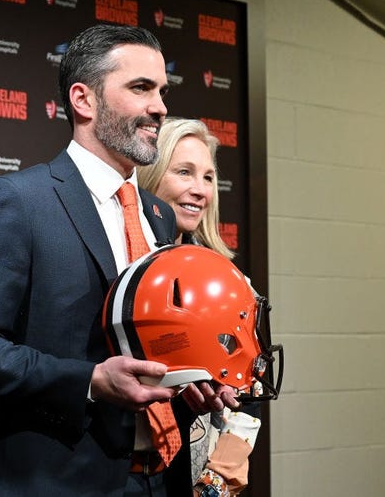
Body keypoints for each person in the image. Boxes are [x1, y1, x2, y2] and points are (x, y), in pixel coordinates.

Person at [0, 24, 238, 497]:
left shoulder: (159, 215)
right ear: (84, 100)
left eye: (162, 91)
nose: (159, 107)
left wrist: (192, 381)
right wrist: (92, 381)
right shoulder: (20, 200)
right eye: (140, 88)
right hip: (59, 483)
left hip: (163, 480)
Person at [137, 118, 263, 497]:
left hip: (189, 479)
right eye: (184, 172)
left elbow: (248, 394)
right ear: (150, 175)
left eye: (208, 177)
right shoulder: (121, 274)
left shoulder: (228, 283)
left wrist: (219, 481)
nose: (200, 189)